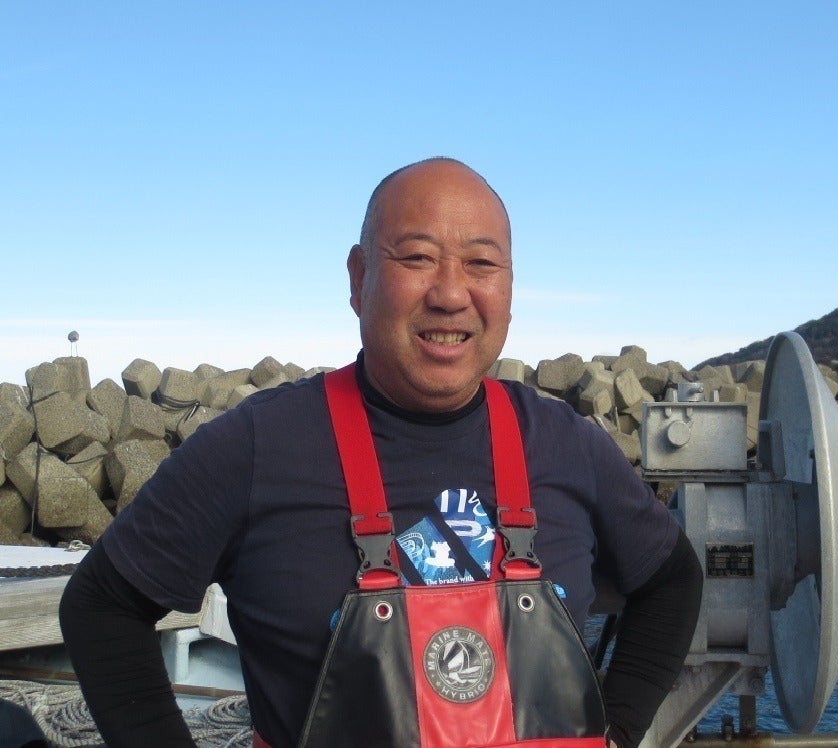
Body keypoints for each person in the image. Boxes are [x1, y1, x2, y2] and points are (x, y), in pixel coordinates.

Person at [59, 158, 703, 748]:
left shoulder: (568, 443)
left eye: (481, 264)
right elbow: (102, 607)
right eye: (418, 257)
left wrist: (617, 732)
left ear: (510, 286)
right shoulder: (256, 446)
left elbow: (672, 579)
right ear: (359, 277)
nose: (451, 294)